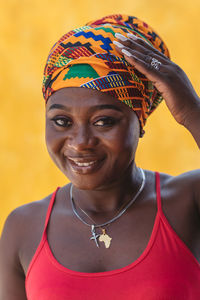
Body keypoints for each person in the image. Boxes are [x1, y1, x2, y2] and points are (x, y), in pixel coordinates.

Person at [0, 14, 200, 300]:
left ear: (139, 123)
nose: (81, 143)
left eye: (104, 121)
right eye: (61, 121)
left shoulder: (188, 202)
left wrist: (192, 111)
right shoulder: (23, 227)